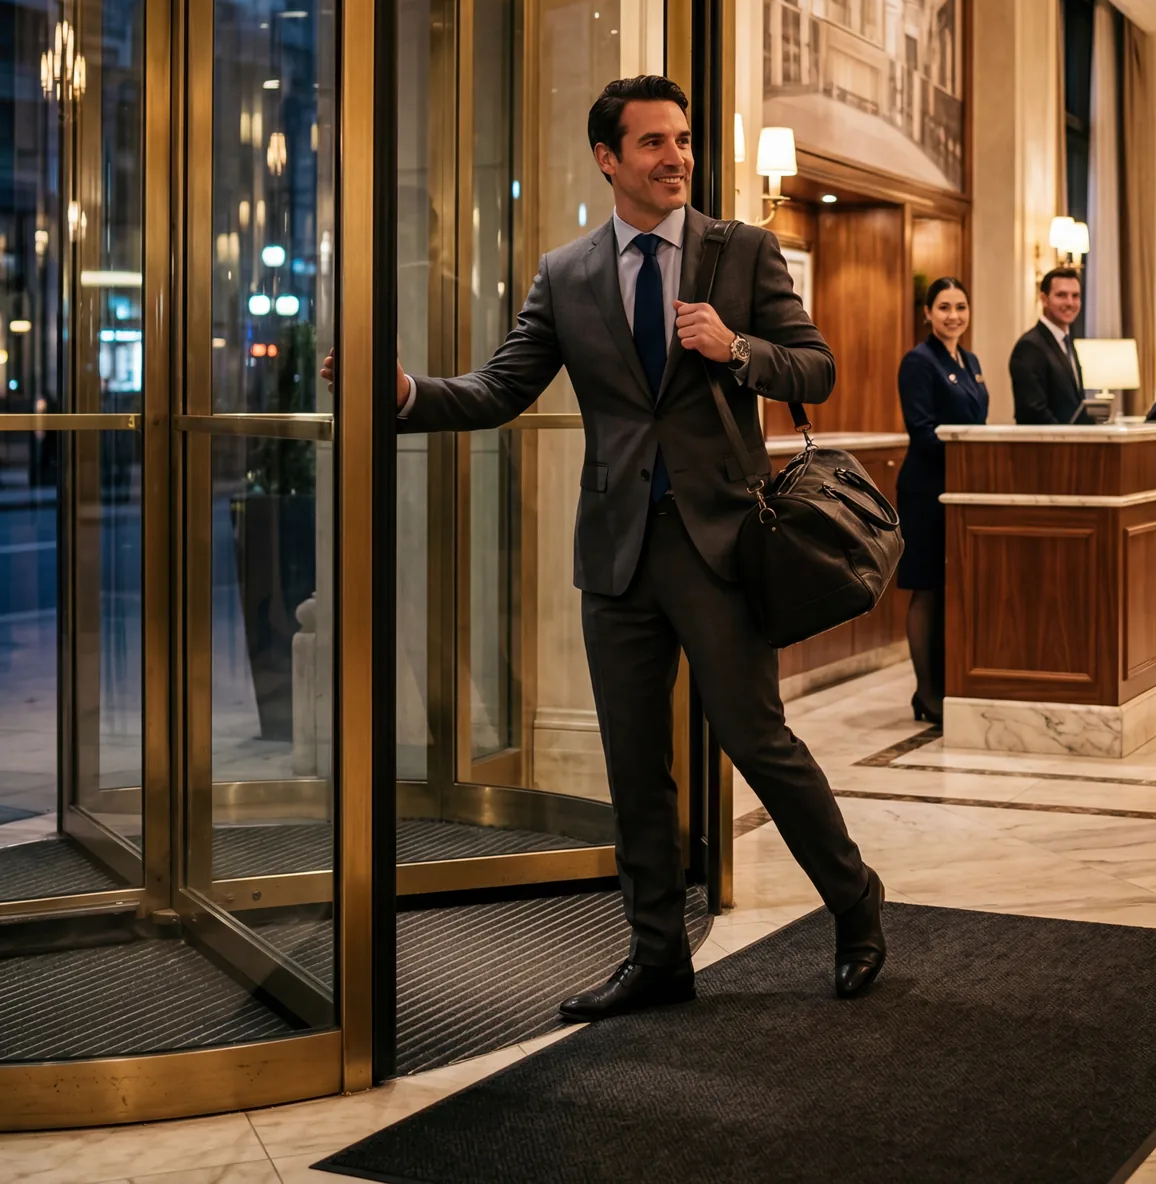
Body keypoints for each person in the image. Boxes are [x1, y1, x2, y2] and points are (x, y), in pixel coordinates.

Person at [322, 74, 885, 1017]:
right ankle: (658, 956)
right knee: (633, 761)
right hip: (617, 551)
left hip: (721, 547)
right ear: (608, 159)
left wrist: (735, 348)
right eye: (655, 144)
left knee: (757, 740)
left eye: (684, 141)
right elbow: (502, 389)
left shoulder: (741, 252)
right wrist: (408, 393)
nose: (677, 158)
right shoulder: (568, 273)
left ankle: (855, 904)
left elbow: (819, 370)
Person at [895, 277, 988, 726]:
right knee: (927, 587)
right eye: (945, 307)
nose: (954, 315)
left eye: (961, 307)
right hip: (927, 491)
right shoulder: (918, 361)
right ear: (928, 313)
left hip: (962, 489)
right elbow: (922, 429)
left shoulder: (969, 361)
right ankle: (926, 691)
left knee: (953, 588)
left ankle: (948, 684)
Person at [1009, 266, 1085, 424]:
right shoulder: (1029, 347)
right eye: (1061, 295)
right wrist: (1067, 441)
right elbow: (1033, 412)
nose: (1070, 302)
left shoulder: (1067, 343)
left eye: (1075, 296)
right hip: (1047, 446)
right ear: (1044, 299)